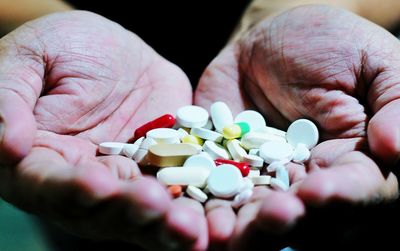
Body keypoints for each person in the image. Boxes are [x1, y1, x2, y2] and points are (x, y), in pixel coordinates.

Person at [0, 1, 400, 250]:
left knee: (319, 223)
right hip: (89, 115)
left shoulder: (249, 151)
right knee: (96, 210)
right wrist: (46, 18)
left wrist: (312, 5)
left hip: (293, 100)